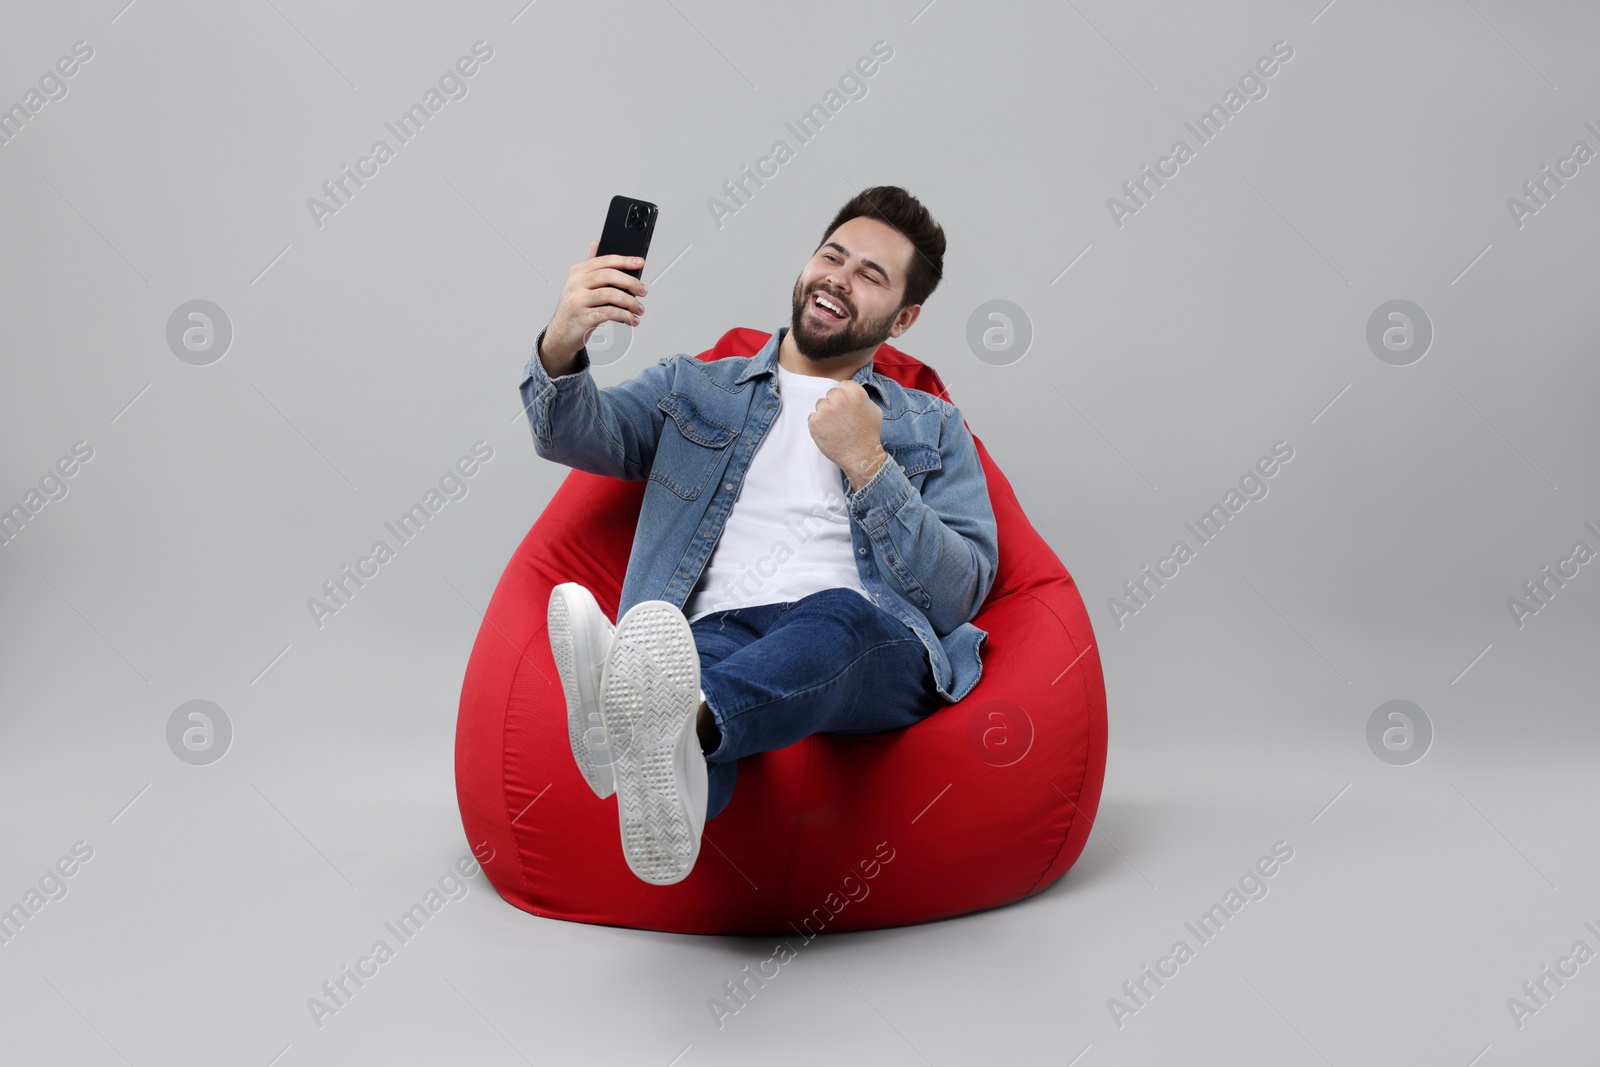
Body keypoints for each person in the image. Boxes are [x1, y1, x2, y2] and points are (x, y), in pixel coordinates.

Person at [522, 185, 998, 885]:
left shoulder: (931, 426)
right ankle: (679, 746)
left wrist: (870, 464)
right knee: (685, 661)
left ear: (903, 319)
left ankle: (629, 707)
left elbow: (960, 592)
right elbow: (569, 433)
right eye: (833, 255)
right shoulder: (694, 388)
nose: (840, 276)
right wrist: (564, 336)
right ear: (809, 265)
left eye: (871, 275)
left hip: (869, 641)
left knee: (837, 615)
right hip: (711, 633)